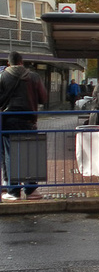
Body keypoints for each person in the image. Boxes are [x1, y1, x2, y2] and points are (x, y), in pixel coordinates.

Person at [0, 51, 47, 201]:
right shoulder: (33, 76)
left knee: (10, 154)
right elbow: (43, 98)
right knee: (29, 153)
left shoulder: (3, 76)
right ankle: (31, 190)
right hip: (29, 120)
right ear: (22, 62)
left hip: (8, 120)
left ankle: (13, 191)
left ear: (9, 63)